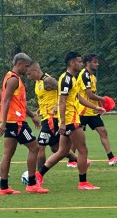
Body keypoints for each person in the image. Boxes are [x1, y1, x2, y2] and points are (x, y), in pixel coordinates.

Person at [35, 51, 105, 190]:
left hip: (70, 118)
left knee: (62, 152)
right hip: (70, 119)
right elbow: (62, 101)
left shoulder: (71, 79)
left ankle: (38, 175)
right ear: (72, 63)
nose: (81, 64)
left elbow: (78, 97)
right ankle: (83, 183)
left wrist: (95, 107)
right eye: (79, 62)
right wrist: (62, 122)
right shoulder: (66, 79)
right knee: (83, 150)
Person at [0, 53, 49, 195]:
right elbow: (6, 101)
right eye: (25, 66)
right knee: (35, 148)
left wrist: (32, 116)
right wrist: (3, 122)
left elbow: (17, 102)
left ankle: (3, 186)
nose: (27, 69)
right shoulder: (13, 80)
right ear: (19, 64)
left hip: (14, 121)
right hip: (16, 122)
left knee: (8, 154)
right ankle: (32, 184)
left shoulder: (11, 77)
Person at [26, 61, 84, 170]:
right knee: (56, 148)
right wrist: (40, 109)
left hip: (51, 119)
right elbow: (47, 97)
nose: (28, 77)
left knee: (39, 147)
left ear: (35, 70)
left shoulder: (48, 80)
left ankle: (38, 176)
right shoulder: (37, 82)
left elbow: (62, 91)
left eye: (29, 74)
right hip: (46, 117)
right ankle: (81, 161)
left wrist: (57, 104)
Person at [76, 53, 117, 166]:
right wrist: (103, 99)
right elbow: (89, 94)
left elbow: (93, 93)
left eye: (97, 62)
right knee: (77, 137)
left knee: (103, 132)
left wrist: (100, 106)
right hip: (82, 111)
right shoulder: (85, 75)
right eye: (95, 62)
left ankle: (111, 158)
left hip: (92, 112)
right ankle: (72, 160)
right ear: (88, 63)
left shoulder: (92, 77)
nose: (97, 64)